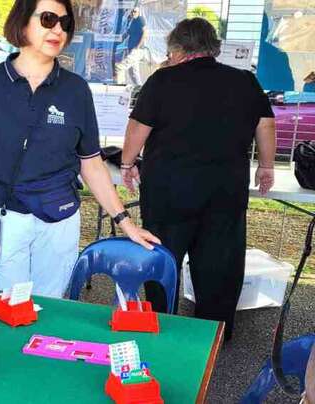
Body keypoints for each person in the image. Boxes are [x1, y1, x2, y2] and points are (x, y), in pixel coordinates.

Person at [0, 0, 159, 298]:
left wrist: (125, 222)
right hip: (5, 217)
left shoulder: (76, 90)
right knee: (6, 309)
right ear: (22, 22)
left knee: (50, 308)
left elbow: (90, 163)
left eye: (65, 23)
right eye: (48, 19)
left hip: (60, 219)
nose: (58, 30)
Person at [121, 18, 276, 340]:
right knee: (220, 263)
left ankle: (160, 323)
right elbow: (266, 125)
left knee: (162, 256)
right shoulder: (244, 81)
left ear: (177, 49)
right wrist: (266, 167)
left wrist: (127, 162)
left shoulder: (163, 80)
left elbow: (139, 126)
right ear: (213, 48)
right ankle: (214, 331)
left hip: (169, 189)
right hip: (225, 189)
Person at [115, 7, 147, 85]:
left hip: (137, 50)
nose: (133, 13)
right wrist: (116, 42)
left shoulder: (140, 19)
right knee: (133, 72)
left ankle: (120, 85)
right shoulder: (132, 21)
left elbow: (145, 33)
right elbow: (127, 33)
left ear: (139, 12)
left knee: (119, 67)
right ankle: (139, 88)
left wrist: (138, 46)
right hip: (131, 49)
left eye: (135, 12)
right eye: (132, 12)